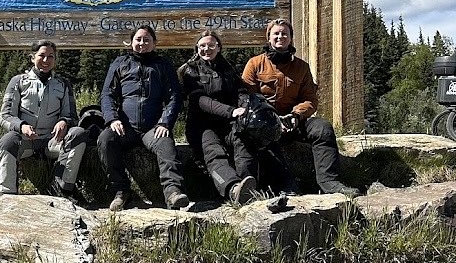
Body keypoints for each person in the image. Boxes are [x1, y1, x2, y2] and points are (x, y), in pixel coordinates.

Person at [241, 18, 359, 196]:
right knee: (264, 139)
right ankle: (285, 186)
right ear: (269, 38)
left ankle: (330, 183)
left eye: (284, 34)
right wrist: (271, 120)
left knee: (323, 128)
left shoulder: (301, 67)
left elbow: (310, 100)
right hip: (264, 123)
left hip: (293, 121)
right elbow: (247, 97)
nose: (280, 37)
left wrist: (296, 116)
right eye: (276, 34)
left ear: (290, 38)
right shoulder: (255, 64)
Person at [97, 26, 190, 211]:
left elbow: (174, 97)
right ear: (131, 42)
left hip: (153, 128)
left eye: (147, 40)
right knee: (105, 140)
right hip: (125, 127)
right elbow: (107, 95)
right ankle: (121, 191)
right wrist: (112, 119)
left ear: (154, 43)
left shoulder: (163, 65)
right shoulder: (119, 63)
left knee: (166, 145)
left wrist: (165, 122)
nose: (142, 43)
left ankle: (172, 193)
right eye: (138, 39)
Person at [0, 40, 87, 198]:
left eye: (50, 56)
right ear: (32, 58)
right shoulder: (18, 82)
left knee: (78, 133)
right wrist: (21, 126)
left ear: (55, 59)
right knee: (7, 141)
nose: (46, 60)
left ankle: (64, 189)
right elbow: (5, 116)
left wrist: (64, 121)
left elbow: (73, 116)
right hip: (25, 141)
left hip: (53, 142)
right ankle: (6, 195)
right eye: (42, 56)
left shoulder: (63, 84)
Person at [178, 30, 259, 204]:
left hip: (228, 124)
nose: (207, 49)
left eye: (211, 45)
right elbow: (200, 100)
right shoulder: (189, 71)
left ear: (219, 47)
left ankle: (249, 186)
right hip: (202, 126)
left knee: (243, 141)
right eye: (202, 46)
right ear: (197, 48)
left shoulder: (228, 69)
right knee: (214, 152)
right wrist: (231, 111)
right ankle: (233, 189)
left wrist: (244, 106)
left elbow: (241, 92)